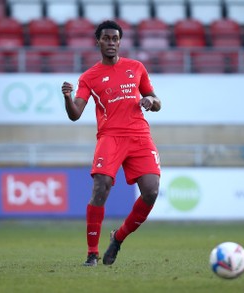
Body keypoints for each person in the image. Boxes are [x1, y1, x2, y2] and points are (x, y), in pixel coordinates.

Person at [61, 20, 162, 267]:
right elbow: (75, 114)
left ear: (119, 41)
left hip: (139, 135)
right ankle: (92, 253)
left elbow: (156, 100)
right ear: (98, 42)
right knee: (101, 186)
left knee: (151, 191)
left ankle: (118, 238)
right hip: (110, 137)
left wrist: (150, 102)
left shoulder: (136, 67)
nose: (111, 42)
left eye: (115, 38)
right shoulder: (89, 77)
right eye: (106, 38)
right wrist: (67, 97)